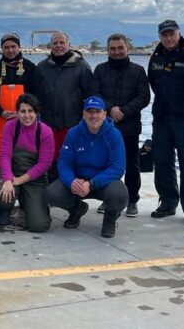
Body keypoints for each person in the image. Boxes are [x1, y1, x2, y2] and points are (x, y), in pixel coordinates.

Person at [46, 96, 129, 238]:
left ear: (104, 114)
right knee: (51, 194)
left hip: (102, 183)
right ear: (84, 114)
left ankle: (109, 220)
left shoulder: (114, 135)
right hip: (78, 182)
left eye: (97, 111)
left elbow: (117, 168)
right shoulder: (73, 133)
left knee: (120, 194)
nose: (94, 115)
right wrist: (71, 181)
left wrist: (91, 183)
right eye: (89, 112)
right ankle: (76, 209)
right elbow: (64, 163)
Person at [147, 19, 184, 223]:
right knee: (162, 161)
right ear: (160, 36)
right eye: (164, 35)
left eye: (172, 34)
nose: (168, 38)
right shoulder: (156, 56)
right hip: (161, 117)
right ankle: (168, 202)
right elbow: (153, 82)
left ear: (179, 33)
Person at [90, 33, 150, 217]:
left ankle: (132, 200)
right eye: (112, 49)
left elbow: (144, 97)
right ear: (108, 50)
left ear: (127, 48)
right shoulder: (100, 69)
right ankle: (108, 198)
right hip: (105, 125)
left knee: (132, 164)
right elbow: (95, 93)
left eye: (120, 48)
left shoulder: (138, 70)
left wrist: (123, 111)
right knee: (106, 163)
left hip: (130, 125)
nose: (116, 52)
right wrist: (111, 109)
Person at [0, 93, 54, 232]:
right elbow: (5, 155)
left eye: (30, 111)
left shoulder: (45, 132)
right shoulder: (10, 127)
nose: (27, 115)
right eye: (23, 111)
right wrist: (8, 179)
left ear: (37, 112)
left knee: (39, 225)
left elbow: (44, 164)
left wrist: (19, 180)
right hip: (12, 172)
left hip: (34, 179)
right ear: (17, 113)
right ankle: (5, 211)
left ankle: (28, 207)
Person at [36, 31, 93, 179]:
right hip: (48, 123)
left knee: (72, 159)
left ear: (69, 45)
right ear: (51, 46)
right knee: (50, 160)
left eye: (62, 43)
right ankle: (52, 194)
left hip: (73, 123)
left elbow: (90, 94)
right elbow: (35, 96)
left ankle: (74, 198)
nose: (59, 46)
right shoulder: (42, 67)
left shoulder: (82, 66)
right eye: (55, 43)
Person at [0, 33, 43, 170]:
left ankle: (25, 182)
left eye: (13, 46)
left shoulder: (30, 67)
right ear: (2, 49)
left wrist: (23, 113)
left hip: (26, 120)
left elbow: (38, 95)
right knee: (1, 154)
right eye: (6, 47)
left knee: (26, 155)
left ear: (19, 47)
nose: (10, 50)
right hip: (0, 119)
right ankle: (2, 181)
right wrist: (1, 112)